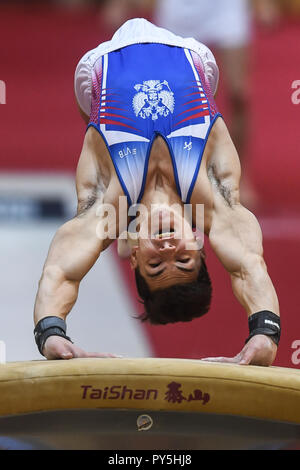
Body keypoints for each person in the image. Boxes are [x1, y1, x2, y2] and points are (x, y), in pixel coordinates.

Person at [33, 18, 280, 366]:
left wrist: (51, 333)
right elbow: (246, 267)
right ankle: (130, 235)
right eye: (183, 259)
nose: (167, 249)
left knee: (100, 199)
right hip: (190, 56)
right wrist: (265, 333)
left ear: (135, 258)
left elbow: (61, 272)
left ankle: (127, 231)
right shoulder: (214, 201)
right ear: (198, 243)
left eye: (154, 264)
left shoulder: (107, 210)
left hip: (99, 66)